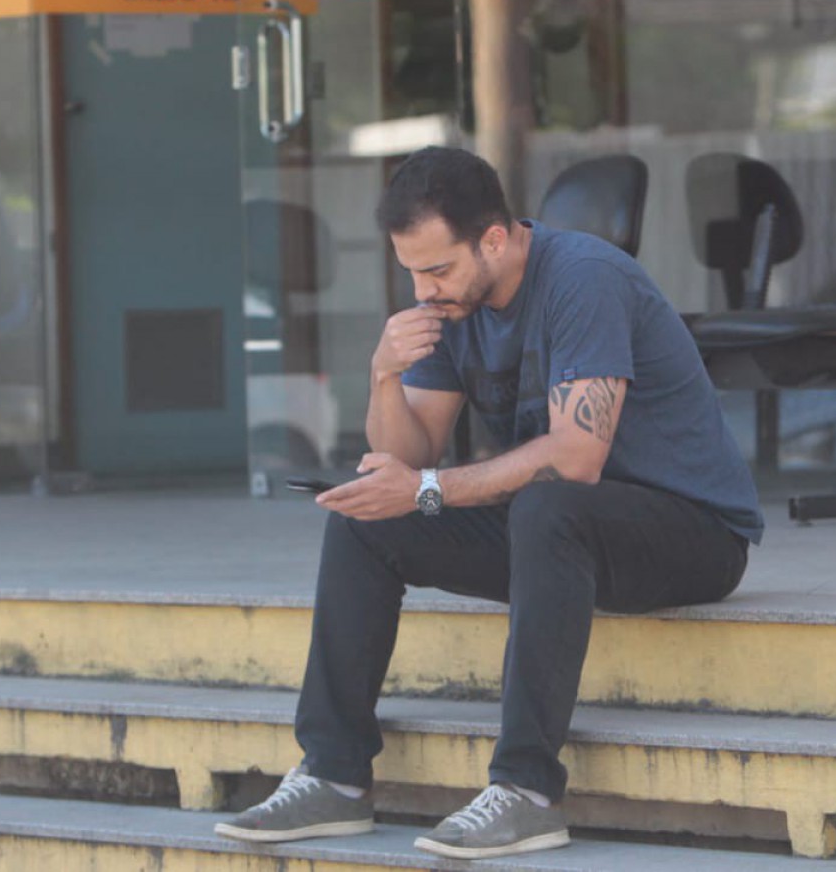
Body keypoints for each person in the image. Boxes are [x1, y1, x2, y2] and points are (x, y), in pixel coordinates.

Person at [215, 146, 763, 860]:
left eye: (438, 268)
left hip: (693, 533)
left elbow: (575, 456)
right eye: (411, 270)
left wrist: (428, 490)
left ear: (495, 239)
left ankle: (527, 792)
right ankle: (333, 776)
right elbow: (409, 459)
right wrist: (384, 376)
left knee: (547, 504)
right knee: (365, 518)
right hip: (564, 532)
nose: (425, 288)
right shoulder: (448, 305)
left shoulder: (583, 280)